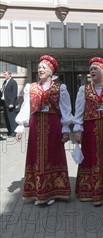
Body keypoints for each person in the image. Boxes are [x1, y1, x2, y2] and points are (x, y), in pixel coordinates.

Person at [15, 55, 72, 206]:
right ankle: (37, 192)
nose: (40, 70)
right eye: (39, 67)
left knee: (53, 157)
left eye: (43, 68)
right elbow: (26, 107)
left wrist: (65, 129)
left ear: (51, 71)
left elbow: (65, 110)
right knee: (36, 157)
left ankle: (52, 191)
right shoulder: (31, 87)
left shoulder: (60, 88)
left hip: (53, 127)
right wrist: (20, 126)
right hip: (35, 127)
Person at [74, 57, 103, 206]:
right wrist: (77, 129)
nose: (92, 71)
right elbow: (79, 111)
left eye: (95, 68)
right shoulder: (84, 89)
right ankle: (91, 191)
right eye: (91, 69)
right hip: (90, 131)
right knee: (90, 157)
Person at [1, 70, 18, 138]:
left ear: (10, 75)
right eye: (4, 74)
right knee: (6, 118)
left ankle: (14, 132)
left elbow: (14, 93)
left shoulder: (13, 82)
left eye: (5, 74)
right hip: (4, 102)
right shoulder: (5, 82)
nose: (4, 76)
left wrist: (12, 103)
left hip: (10, 103)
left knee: (11, 118)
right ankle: (9, 131)